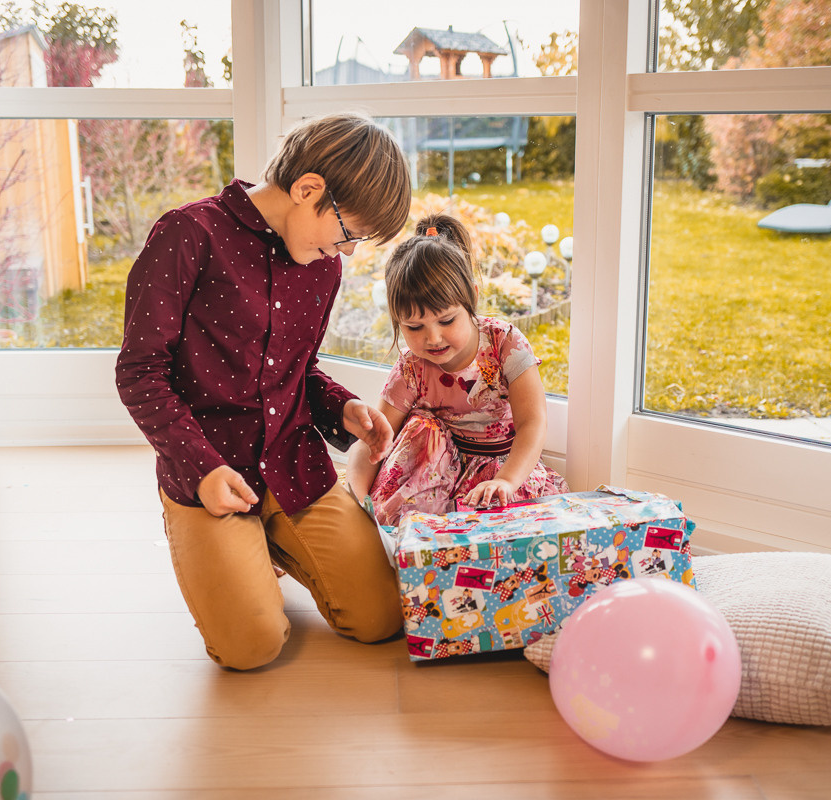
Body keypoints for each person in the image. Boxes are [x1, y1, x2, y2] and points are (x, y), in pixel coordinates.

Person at [115, 112, 412, 670]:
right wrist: (201, 469)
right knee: (250, 649)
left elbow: (300, 371)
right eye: (349, 234)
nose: (348, 252)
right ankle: (234, 548)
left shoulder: (320, 267)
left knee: (382, 618)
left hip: (292, 459)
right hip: (209, 471)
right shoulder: (187, 234)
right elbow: (139, 372)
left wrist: (341, 407)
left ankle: (269, 546)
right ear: (307, 190)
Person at [344, 214, 569, 527]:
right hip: (436, 477)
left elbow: (533, 423)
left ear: (472, 299)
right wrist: (354, 492)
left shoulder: (504, 343)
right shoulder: (412, 366)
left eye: (446, 321)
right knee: (421, 428)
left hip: (501, 471)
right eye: (414, 326)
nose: (433, 338)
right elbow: (373, 439)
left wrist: (506, 481)